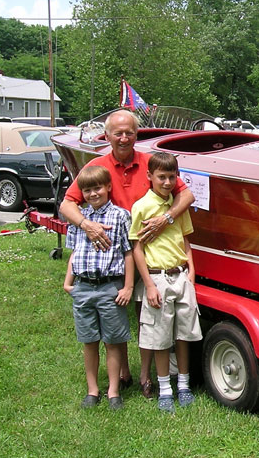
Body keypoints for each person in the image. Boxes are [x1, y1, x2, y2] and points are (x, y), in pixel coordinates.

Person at [59, 109, 195, 399]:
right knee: (116, 316)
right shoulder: (96, 166)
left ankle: (146, 375)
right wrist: (87, 224)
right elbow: (67, 205)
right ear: (106, 136)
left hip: (145, 254)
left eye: (129, 132)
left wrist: (166, 218)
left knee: (145, 315)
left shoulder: (149, 162)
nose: (123, 138)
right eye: (117, 133)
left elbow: (186, 195)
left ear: (137, 134)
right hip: (110, 256)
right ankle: (122, 374)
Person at [130, 152, 202, 413]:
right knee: (160, 337)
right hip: (157, 278)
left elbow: (185, 240)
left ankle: (183, 384)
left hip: (181, 276)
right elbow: (137, 248)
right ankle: (164, 389)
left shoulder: (178, 206)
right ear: (149, 177)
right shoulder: (141, 207)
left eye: (172, 177)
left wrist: (191, 272)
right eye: (162, 177)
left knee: (183, 334)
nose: (168, 182)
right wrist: (148, 283)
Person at [63, 166, 134, 410]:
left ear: (108, 188)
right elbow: (74, 252)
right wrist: (68, 281)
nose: (93, 194)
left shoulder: (120, 216)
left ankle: (114, 390)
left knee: (113, 341)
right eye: (87, 190)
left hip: (109, 288)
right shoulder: (79, 217)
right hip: (84, 287)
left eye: (97, 188)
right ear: (81, 193)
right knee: (89, 340)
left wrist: (127, 287)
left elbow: (128, 252)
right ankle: (92, 389)